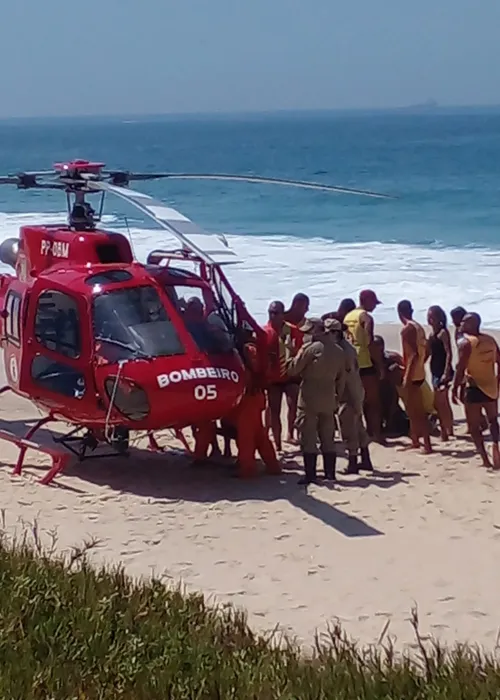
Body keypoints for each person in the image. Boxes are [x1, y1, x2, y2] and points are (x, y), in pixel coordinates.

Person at [286, 317, 347, 485]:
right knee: (328, 437)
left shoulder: (311, 349)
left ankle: (311, 475)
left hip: (309, 398)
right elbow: (341, 379)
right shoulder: (338, 351)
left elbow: (292, 369)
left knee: (309, 437)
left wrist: (290, 351)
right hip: (329, 397)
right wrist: (337, 397)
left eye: (309, 331)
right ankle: (330, 473)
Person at [228, 325, 281, 478]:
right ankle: (272, 465)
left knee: (246, 435)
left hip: (249, 397)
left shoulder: (248, 350)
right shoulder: (255, 349)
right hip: (256, 396)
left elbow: (251, 370)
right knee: (259, 434)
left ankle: (247, 469)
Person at [451, 312, 500, 469]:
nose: (461, 324)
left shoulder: (466, 343)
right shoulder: (490, 340)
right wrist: (497, 380)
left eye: (465, 322)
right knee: (493, 420)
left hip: (473, 387)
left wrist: (455, 387)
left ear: (472, 324)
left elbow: (460, 368)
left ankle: (485, 459)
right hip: (491, 386)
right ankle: (495, 445)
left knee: (473, 426)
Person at [330, 316, 373, 474]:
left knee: (348, 429)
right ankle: (366, 459)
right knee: (359, 426)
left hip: (348, 394)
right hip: (356, 391)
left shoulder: (341, 351)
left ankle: (353, 463)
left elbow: (343, 377)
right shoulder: (347, 347)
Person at [343, 289, 385, 444]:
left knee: (355, 401)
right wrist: (380, 365)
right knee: (373, 401)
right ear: (365, 300)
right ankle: (376, 435)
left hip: (349, 361)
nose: (374, 306)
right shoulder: (366, 318)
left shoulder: (348, 317)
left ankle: (359, 433)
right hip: (364, 362)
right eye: (373, 302)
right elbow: (371, 343)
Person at [264, 301, 303, 450]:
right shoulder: (265, 331)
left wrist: (293, 352)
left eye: (276, 313)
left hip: (290, 374)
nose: (272, 316)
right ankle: (278, 444)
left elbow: (301, 350)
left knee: (294, 405)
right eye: (270, 313)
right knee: (274, 411)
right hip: (273, 378)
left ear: (282, 314)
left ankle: (290, 434)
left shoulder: (293, 330)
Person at [397, 300, 432, 454]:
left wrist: (407, 376)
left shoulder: (407, 329)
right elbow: (426, 351)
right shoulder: (419, 327)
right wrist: (420, 365)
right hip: (419, 372)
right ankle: (415, 441)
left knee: (416, 411)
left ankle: (427, 444)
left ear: (399, 313)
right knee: (412, 410)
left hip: (413, 375)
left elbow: (412, 354)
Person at [427, 305, 454, 441]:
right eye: (429, 316)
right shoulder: (431, 335)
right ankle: (449, 429)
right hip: (434, 370)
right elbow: (428, 353)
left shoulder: (443, 333)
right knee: (442, 402)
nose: (430, 318)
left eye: (432, 316)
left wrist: (446, 371)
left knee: (440, 402)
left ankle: (446, 431)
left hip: (443, 370)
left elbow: (449, 353)